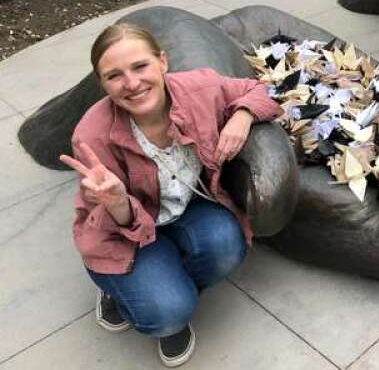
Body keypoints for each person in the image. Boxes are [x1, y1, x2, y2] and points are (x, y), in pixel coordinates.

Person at [59, 23, 282, 367]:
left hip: (185, 208)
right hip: (124, 231)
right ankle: (119, 290)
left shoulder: (201, 87)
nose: (132, 84)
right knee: (166, 315)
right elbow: (105, 222)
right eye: (114, 75)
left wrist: (242, 115)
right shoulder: (92, 134)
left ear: (162, 61)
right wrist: (118, 203)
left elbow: (259, 90)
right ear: (101, 83)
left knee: (227, 246)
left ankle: (163, 281)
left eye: (140, 66)